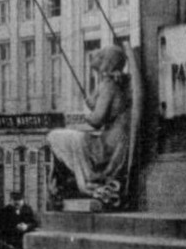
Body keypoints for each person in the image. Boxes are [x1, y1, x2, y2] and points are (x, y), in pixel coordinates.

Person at [46, 45, 132, 207]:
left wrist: (86, 116)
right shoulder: (116, 84)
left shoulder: (109, 85)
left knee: (55, 137)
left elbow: (97, 119)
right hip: (116, 140)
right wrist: (93, 102)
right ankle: (63, 188)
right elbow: (105, 108)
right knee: (70, 139)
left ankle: (62, 188)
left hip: (106, 145)